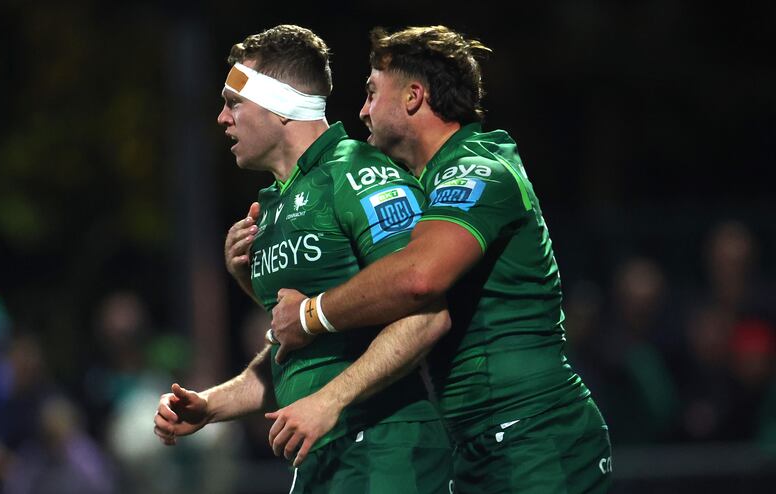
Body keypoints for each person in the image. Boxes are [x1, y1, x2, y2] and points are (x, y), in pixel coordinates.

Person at [269, 26, 612, 493]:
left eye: (372, 93)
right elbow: (375, 296)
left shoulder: (477, 169)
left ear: (413, 96)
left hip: (534, 436)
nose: (362, 110)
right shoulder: (425, 187)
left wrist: (311, 315)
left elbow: (417, 278)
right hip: (477, 445)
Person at [153, 25, 453, 493]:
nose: (221, 119)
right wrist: (211, 405)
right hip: (320, 461)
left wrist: (328, 401)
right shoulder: (270, 209)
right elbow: (297, 350)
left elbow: (425, 316)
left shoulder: (358, 173)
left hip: (388, 453)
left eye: (234, 102)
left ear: (282, 107)